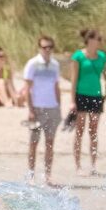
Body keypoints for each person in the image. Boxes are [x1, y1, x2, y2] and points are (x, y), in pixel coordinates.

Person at [70, 28, 106, 175]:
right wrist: (72, 101)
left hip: (96, 97)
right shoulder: (78, 56)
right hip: (81, 96)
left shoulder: (102, 57)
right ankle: (78, 166)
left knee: (93, 132)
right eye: (98, 39)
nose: (100, 42)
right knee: (79, 131)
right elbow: (73, 81)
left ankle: (93, 166)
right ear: (90, 40)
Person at [23, 34, 62, 185]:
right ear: (39, 48)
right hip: (37, 108)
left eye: (50, 47)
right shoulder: (32, 64)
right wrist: (31, 110)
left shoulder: (55, 65)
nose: (47, 50)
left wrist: (59, 106)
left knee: (50, 143)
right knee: (34, 142)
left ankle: (48, 175)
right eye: (45, 47)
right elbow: (27, 89)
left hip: (52, 108)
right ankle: (31, 175)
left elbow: (57, 87)